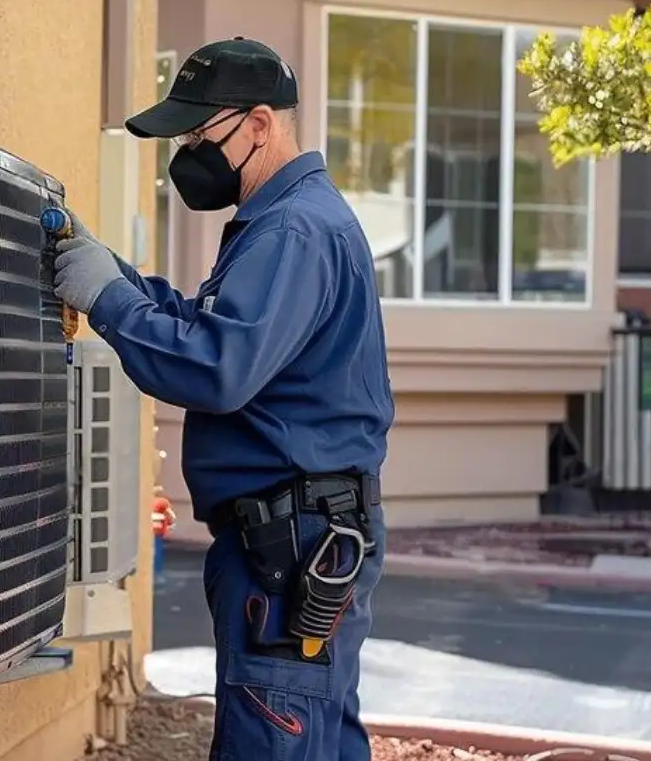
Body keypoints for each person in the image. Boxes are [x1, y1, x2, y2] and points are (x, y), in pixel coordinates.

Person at [48, 37, 394, 761]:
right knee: (318, 735)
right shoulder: (288, 221)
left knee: (277, 736)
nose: (189, 153)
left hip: (291, 542)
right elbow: (217, 330)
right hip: (305, 533)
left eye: (201, 134)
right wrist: (118, 276)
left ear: (260, 124)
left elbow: (215, 367)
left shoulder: (293, 231)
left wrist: (108, 301)